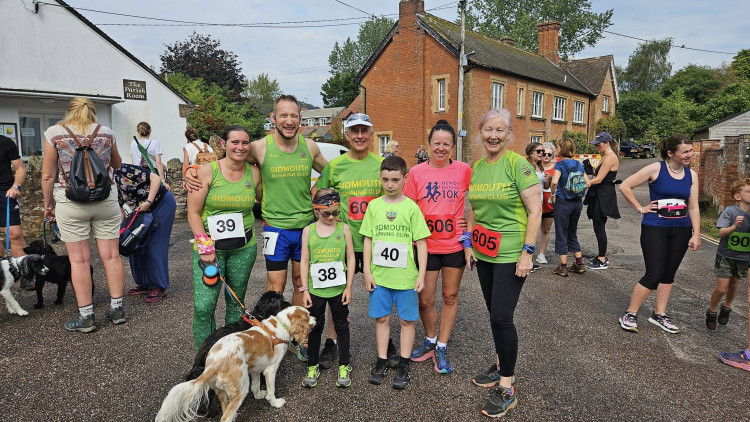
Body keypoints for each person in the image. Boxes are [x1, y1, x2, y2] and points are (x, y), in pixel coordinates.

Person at [465, 109, 541, 418]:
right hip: (484, 253)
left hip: (511, 254)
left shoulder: (517, 164)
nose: (493, 135)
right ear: (480, 133)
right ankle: (500, 366)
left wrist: (527, 252)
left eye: (500, 130)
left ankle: (507, 388)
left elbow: (534, 211)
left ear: (508, 135)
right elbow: (474, 209)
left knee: (502, 317)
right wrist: (469, 244)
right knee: (494, 314)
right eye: (488, 130)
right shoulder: (478, 166)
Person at [41, 97, 125, 333]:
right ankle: (117, 309)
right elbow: (117, 164)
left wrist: (48, 206)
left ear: (69, 111)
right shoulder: (106, 132)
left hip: (71, 201)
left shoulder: (54, 133)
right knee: (111, 256)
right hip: (105, 199)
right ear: (93, 112)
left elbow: (47, 176)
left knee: (79, 260)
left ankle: (86, 316)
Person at [312, 113, 383, 368]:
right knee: (335, 292)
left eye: (365, 130)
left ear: (372, 134)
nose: (360, 136)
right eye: (355, 131)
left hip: (375, 242)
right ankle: (331, 342)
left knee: (380, 291)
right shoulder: (335, 166)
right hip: (342, 241)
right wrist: (325, 222)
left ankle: (386, 345)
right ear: (348, 135)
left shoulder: (382, 163)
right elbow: (317, 194)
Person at [404, 120, 472, 373]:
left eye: (446, 144)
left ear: (453, 146)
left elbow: (476, 201)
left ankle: (442, 346)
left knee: (450, 296)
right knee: (425, 300)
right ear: (429, 144)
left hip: (454, 244)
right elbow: (408, 207)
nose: (441, 148)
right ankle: (430, 339)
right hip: (426, 246)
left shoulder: (465, 170)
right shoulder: (416, 172)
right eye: (437, 143)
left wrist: (470, 229)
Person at [186, 125, 262, 350]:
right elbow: (193, 213)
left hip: (244, 248)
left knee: (236, 305)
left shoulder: (254, 172)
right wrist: (204, 244)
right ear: (223, 144)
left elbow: (267, 200)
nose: (240, 147)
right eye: (234, 142)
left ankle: (231, 356)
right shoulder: (207, 171)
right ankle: (204, 359)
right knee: (204, 307)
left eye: (245, 143)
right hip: (211, 251)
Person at [618, 134, 701, 334]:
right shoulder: (656, 168)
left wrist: (696, 234)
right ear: (671, 153)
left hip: (681, 229)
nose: (690, 154)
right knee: (653, 273)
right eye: (685, 151)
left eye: (691, 151)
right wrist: (640, 208)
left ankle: (659, 314)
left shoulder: (692, 175)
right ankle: (630, 313)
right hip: (655, 227)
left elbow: (694, 207)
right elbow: (624, 186)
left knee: (668, 274)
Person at [360, 155, 430, 390]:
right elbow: (367, 240)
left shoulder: (411, 207)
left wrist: (421, 275)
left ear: (405, 178)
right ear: (380, 178)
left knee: (406, 320)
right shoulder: (374, 206)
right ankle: (381, 359)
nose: (390, 184)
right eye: (385, 179)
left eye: (395, 180)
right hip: (380, 277)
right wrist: (367, 272)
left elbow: (421, 242)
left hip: (405, 278)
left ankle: (404, 363)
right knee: (381, 318)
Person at [300, 189, 355, 388]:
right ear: (316, 210)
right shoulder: (309, 231)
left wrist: (349, 287)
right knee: (315, 328)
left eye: (335, 212)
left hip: (339, 288)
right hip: (316, 290)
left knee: (342, 327)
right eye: (326, 213)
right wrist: (304, 290)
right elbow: (304, 260)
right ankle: (312, 364)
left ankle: (344, 364)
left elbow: (350, 257)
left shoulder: (344, 229)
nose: (331, 217)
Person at [115, 162, 176, 303]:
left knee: (155, 245)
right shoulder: (105, 184)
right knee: (133, 243)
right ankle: (143, 283)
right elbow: (119, 208)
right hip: (140, 211)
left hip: (161, 203)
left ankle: (158, 285)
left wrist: (148, 201)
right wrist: (121, 229)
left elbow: (155, 179)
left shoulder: (124, 169)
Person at [707, 178, 750, 333]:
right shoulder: (730, 212)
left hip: (744, 258)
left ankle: (727, 307)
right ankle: (712, 310)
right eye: (748, 191)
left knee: (734, 284)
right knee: (722, 288)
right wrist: (734, 226)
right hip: (725, 256)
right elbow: (721, 232)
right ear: (737, 196)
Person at [549, 138, 590, 277]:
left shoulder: (559, 165)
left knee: (561, 232)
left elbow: (554, 181)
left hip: (563, 202)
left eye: (558, 147)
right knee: (572, 232)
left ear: (562, 149)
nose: (556, 149)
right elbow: (588, 183)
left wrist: (553, 192)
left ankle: (563, 266)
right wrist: (575, 190)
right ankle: (579, 264)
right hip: (577, 203)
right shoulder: (578, 164)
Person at [584, 132, 620, 270]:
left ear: (607, 143)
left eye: (598, 145)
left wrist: (582, 183)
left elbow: (599, 180)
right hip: (600, 193)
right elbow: (599, 176)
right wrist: (591, 171)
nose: (596, 147)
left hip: (604, 195)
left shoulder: (610, 157)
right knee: (597, 225)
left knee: (599, 226)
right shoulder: (605, 156)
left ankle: (602, 259)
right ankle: (601, 255)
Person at [0, 134, 27, 259]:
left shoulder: (5, 142)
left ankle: (25, 275)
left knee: (14, 234)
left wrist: (16, 186)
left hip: (5, 192)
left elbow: (20, 168)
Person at [525, 141, 549, 272]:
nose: (542, 154)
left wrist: (548, 180)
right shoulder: (527, 167)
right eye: (539, 151)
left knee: (533, 233)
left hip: (538, 203)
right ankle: (525, 259)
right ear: (530, 154)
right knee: (528, 232)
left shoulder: (540, 166)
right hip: (529, 203)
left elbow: (544, 187)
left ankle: (528, 259)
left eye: (543, 152)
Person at [130, 122, 170, 190]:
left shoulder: (134, 143)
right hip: (153, 171)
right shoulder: (155, 143)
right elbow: (158, 163)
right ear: (150, 130)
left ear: (138, 131)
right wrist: (163, 181)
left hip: (139, 172)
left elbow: (133, 160)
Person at [536, 142, 556, 265]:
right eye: (544, 153)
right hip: (536, 201)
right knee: (530, 228)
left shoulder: (556, 167)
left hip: (549, 203)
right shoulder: (535, 166)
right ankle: (526, 252)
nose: (546, 156)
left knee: (546, 229)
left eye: (549, 154)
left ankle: (541, 254)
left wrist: (552, 178)